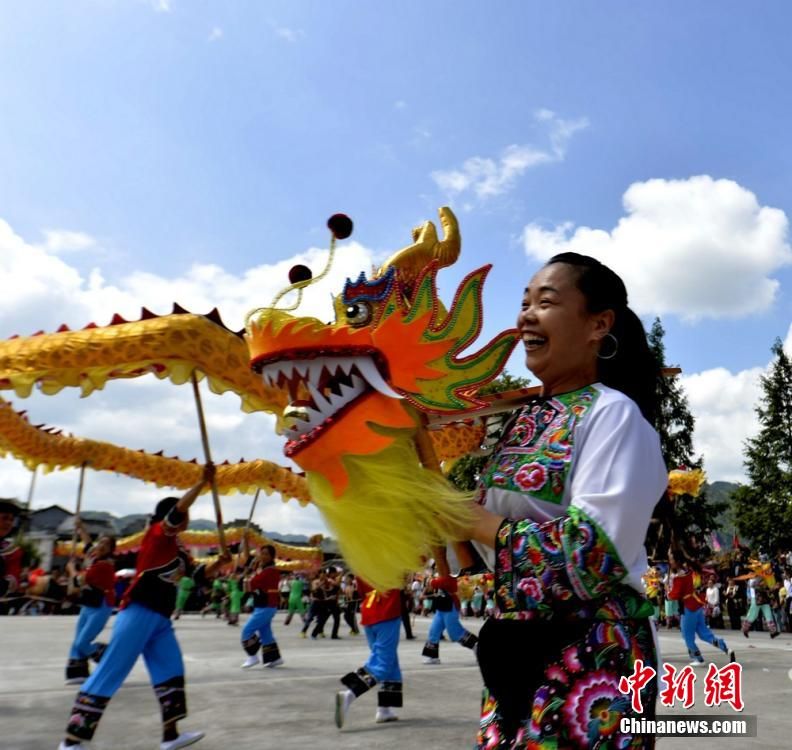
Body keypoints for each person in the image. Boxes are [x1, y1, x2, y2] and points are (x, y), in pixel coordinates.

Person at [463, 253, 669, 748]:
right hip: (513, 657)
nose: (526, 315)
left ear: (599, 324)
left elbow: (591, 551)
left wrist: (472, 522)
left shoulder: (614, 414)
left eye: (546, 302)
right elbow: (480, 555)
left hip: (592, 657)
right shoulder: (521, 424)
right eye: (524, 303)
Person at [57, 464, 229, 750]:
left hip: (160, 619)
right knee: (110, 672)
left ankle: (170, 736)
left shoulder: (179, 552)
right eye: (183, 515)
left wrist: (220, 564)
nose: (185, 520)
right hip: (138, 612)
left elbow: (199, 576)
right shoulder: (157, 536)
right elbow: (175, 514)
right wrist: (201, 483)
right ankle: (72, 741)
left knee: (171, 671)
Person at [335, 579, 403, 728]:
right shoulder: (391, 559)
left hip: (369, 610)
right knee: (382, 664)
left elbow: (360, 589)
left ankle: (384, 709)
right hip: (387, 611)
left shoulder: (363, 561)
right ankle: (349, 695)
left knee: (390, 662)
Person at [64, 519, 117, 684]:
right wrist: (81, 529)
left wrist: (71, 569)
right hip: (89, 603)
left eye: (105, 545)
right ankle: (77, 672)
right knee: (77, 640)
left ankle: (110, 657)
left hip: (101, 606)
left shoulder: (104, 566)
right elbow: (88, 544)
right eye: (100, 542)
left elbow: (79, 580)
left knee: (82, 642)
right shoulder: (94, 556)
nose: (100, 546)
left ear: (110, 550)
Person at [666, 552, 733, 665]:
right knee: (704, 633)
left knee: (687, 635)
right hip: (696, 604)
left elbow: (675, 594)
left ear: (677, 561)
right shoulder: (688, 572)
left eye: (671, 560)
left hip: (688, 607)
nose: (670, 562)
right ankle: (725, 648)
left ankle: (698, 658)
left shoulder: (678, 577)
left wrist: (667, 593)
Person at [240, 544, 284, 668]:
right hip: (262, 605)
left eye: (266, 554)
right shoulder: (264, 569)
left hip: (267, 606)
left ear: (272, 556)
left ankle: (252, 656)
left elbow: (252, 584)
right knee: (266, 633)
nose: (262, 556)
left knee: (247, 631)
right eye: (262, 553)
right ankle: (275, 658)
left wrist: (249, 572)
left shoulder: (270, 571)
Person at [421, 570, 478, 664]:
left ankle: (477, 646)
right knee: (434, 630)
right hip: (441, 606)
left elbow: (436, 583)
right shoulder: (440, 574)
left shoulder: (451, 574)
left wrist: (430, 579)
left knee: (455, 633)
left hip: (450, 606)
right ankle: (432, 656)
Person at [0, 498, 24, 613]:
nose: (8, 523)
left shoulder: (11, 550)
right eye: (4, 518)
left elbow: (13, 578)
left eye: (11, 519)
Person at [742, 574, 779, 638]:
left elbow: (768, 590)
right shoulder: (753, 580)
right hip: (756, 600)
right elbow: (755, 587)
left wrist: (772, 588)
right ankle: (745, 629)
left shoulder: (764, 578)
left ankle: (773, 632)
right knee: (753, 615)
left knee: (768, 615)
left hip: (764, 600)